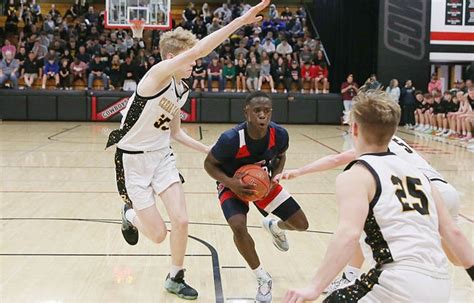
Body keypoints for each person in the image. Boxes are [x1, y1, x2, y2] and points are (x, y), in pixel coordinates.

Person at [105, 1, 271, 300]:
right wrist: (240, 22)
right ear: (171, 58)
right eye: (189, 57)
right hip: (132, 160)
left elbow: (176, 133)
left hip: (162, 157)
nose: (195, 62)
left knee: (181, 220)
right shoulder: (155, 77)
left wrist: (211, 150)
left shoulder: (181, 89)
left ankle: (176, 276)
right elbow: (200, 51)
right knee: (157, 235)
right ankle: (129, 214)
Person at [281, 90, 474, 303]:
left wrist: (313, 288)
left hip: (397, 283)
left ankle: (349, 276)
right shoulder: (420, 175)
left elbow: (349, 234)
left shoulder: (356, 174)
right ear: (393, 132)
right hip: (440, 286)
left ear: (354, 128)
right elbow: (453, 233)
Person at [204, 91, 309, 302]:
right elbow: (209, 164)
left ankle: (275, 226)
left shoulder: (279, 134)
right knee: (238, 225)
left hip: (262, 183)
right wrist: (231, 183)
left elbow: (281, 156)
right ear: (247, 112)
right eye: (257, 111)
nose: (263, 115)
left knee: (301, 224)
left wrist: (274, 178)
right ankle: (262, 278)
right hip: (232, 184)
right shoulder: (231, 139)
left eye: (267, 111)